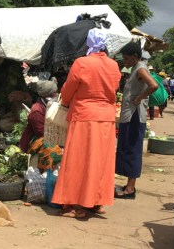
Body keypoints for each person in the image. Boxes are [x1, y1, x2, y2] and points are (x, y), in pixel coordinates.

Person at [52, 29, 121, 217]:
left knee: (78, 160)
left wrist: (65, 102)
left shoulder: (81, 63)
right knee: (101, 161)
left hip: (84, 116)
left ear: (88, 43)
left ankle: (76, 205)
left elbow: (68, 90)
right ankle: (97, 203)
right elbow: (114, 89)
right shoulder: (114, 65)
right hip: (106, 118)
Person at [114, 41, 158, 200]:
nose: (125, 62)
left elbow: (153, 85)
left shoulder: (140, 68)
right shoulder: (136, 68)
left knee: (132, 149)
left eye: (126, 58)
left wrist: (139, 98)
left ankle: (130, 189)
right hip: (130, 115)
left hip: (134, 115)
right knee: (126, 148)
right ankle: (129, 185)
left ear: (135, 57)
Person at [19, 78, 63, 172]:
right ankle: (47, 173)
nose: (57, 94)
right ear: (49, 95)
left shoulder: (50, 105)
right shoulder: (37, 110)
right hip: (35, 139)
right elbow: (40, 131)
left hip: (49, 135)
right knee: (52, 149)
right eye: (55, 93)